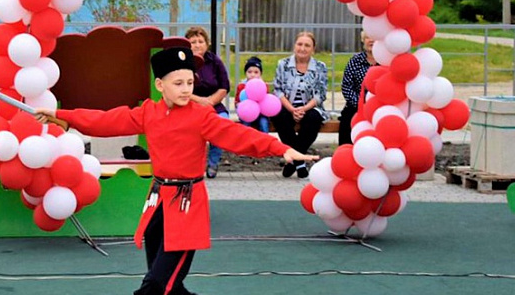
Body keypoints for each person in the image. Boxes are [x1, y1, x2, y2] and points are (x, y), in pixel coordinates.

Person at [34, 47, 316, 295]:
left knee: (156, 285)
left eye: (190, 82)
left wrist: (281, 149)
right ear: (160, 85)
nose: (185, 89)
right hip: (157, 200)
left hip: (186, 204)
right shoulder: (148, 112)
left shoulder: (202, 116)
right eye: (178, 83)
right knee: (169, 283)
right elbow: (107, 121)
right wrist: (64, 116)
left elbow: (239, 135)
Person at [271, 31, 329, 179]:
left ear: (313, 49)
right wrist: (291, 109)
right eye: (300, 44)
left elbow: (320, 94)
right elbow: (278, 90)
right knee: (280, 116)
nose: (302, 48)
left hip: (309, 107)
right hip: (287, 106)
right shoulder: (283, 64)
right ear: (294, 46)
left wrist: (303, 109)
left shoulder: (320, 67)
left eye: (307, 45)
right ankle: (300, 162)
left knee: (313, 119)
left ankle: (293, 160)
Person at [185, 27, 230, 179]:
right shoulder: (184, 62)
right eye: (193, 42)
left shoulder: (214, 61)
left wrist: (210, 101)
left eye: (200, 41)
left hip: (214, 104)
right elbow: (180, 89)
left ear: (207, 44)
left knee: (222, 122)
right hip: (189, 104)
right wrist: (200, 101)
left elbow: (224, 87)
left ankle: (213, 163)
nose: (197, 45)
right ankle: (192, 165)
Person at [339, 31, 377, 145]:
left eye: (374, 37)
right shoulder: (355, 61)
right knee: (347, 119)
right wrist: (360, 104)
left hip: (379, 105)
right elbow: (346, 86)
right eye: (367, 38)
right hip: (357, 104)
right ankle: (345, 154)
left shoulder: (386, 61)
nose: (371, 40)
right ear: (363, 41)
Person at [235, 56, 269, 133]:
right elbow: (237, 102)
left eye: (256, 72)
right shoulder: (242, 86)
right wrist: (241, 107)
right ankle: (245, 143)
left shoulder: (264, 86)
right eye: (249, 72)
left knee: (264, 124)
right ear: (245, 73)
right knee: (245, 126)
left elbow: (266, 102)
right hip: (247, 114)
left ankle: (264, 143)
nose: (252, 75)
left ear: (260, 74)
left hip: (261, 114)